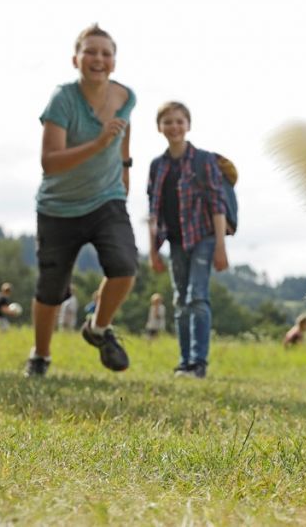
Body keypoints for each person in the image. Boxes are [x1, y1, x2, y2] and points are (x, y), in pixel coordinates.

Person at [24, 24, 137, 377]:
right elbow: (50, 162)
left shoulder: (125, 97)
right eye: (90, 52)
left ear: (114, 62)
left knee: (124, 266)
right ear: (76, 59)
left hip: (107, 199)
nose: (98, 59)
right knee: (51, 290)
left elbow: (124, 132)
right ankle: (40, 356)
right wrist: (99, 144)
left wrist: (124, 171)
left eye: (106, 53)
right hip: (59, 206)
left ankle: (98, 328)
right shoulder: (62, 100)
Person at [147, 101, 229, 379]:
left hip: (204, 238)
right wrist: (152, 251)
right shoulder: (157, 166)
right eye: (168, 122)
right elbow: (153, 211)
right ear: (160, 128)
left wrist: (220, 246)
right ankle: (184, 362)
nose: (174, 127)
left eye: (179, 121)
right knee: (180, 300)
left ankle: (198, 363)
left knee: (197, 297)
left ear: (188, 125)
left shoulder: (204, 160)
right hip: (176, 241)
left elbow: (218, 204)